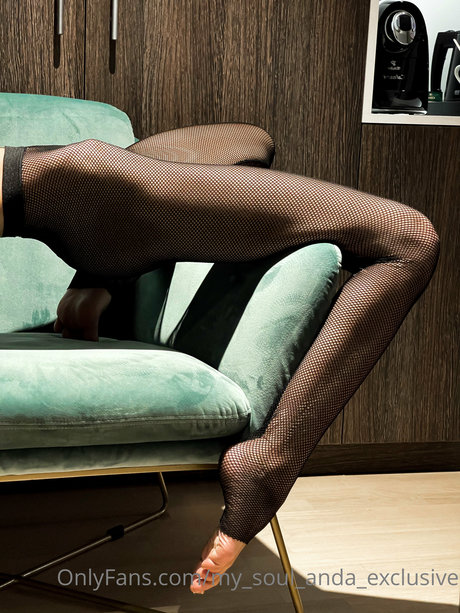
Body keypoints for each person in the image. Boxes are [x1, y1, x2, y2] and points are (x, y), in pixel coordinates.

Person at [0, 123, 440, 594]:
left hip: (63, 184)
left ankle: (102, 266)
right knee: (409, 239)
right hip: (62, 183)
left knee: (252, 142)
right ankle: (269, 461)